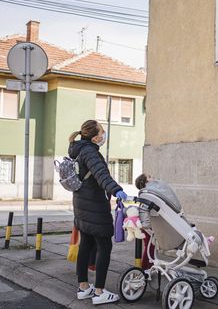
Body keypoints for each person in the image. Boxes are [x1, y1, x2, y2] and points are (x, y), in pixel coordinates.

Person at [68, 120, 128, 305]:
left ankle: (84, 288)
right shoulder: (90, 152)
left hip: (81, 205)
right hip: (94, 206)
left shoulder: (78, 149)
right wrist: (116, 190)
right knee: (104, 247)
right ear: (95, 137)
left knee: (85, 244)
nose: (104, 135)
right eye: (103, 132)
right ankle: (100, 291)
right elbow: (102, 175)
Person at [135, 173, 155, 271]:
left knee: (151, 246)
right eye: (150, 177)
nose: (153, 177)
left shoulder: (148, 194)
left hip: (148, 224)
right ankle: (145, 267)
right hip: (146, 225)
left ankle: (150, 265)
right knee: (149, 246)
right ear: (145, 183)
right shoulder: (147, 196)